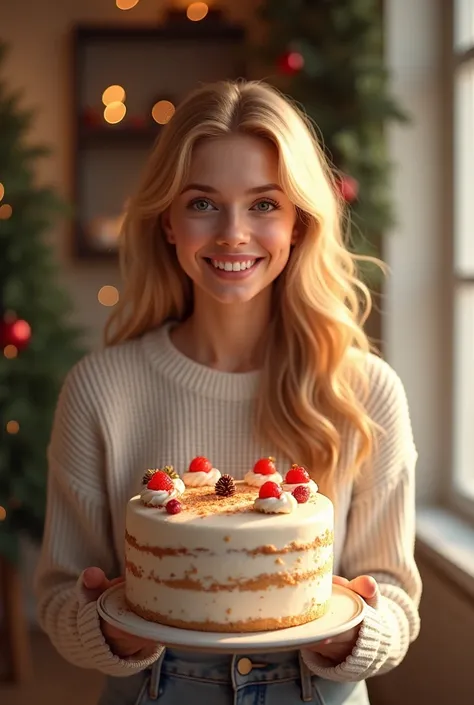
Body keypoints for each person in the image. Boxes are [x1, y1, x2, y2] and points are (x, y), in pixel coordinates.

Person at [34, 79, 422, 705]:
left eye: (265, 205)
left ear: (299, 224)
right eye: (202, 203)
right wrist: (108, 631)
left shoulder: (364, 390)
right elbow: (56, 596)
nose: (233, 233)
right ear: (167, 221)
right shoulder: (100, 390)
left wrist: (353, 636)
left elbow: (397, 600)